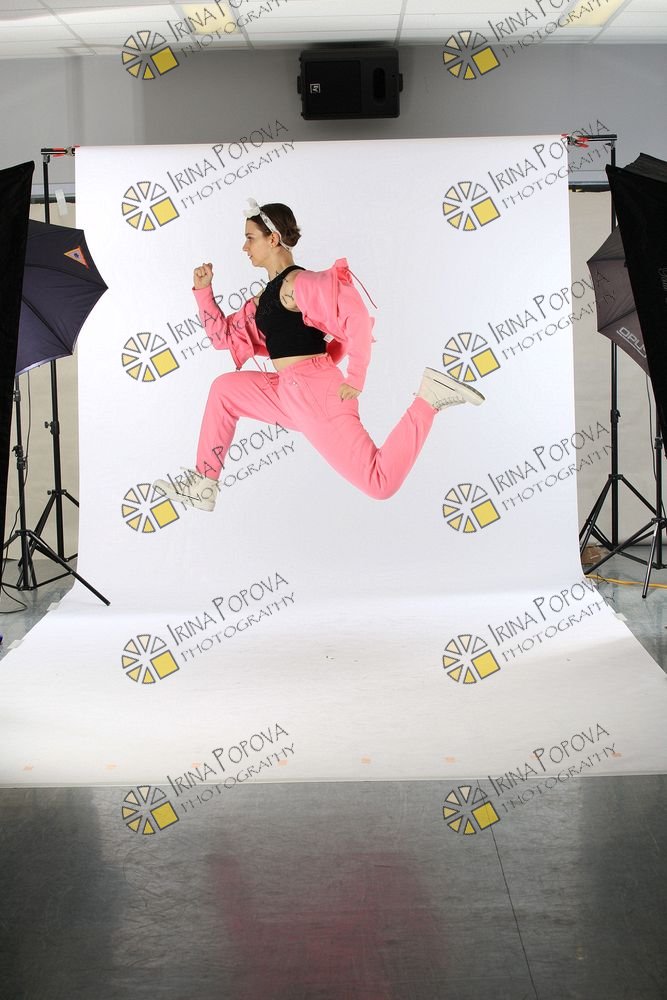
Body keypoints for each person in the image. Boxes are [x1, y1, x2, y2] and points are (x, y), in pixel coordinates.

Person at [154, 199, 484, 512]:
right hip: (288, 390)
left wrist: (356, 377)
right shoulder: (265, 297)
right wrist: (204, 292)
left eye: (250, 238)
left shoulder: (298, 284)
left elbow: (356, 317)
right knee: (224, 390)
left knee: (379, 483)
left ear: (273, 239)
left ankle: (428, 399)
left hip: (314, 392)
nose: (244, 247)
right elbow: (223, 338)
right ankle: (203, 484)